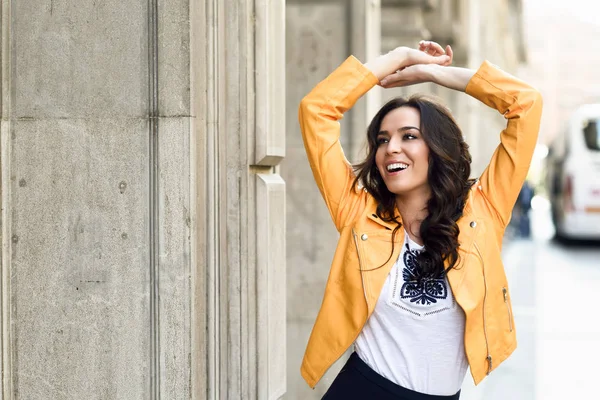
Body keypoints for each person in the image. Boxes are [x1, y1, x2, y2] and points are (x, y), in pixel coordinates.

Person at [298, 40, 542, 400]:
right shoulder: (358, 213)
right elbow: (316, 110)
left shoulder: (483, 211)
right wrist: (399, 57)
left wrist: (434, 74)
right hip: (362, 389)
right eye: (382, 140)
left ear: (438, 147)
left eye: (408, 136)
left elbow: (526, 104)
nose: (391, 148)